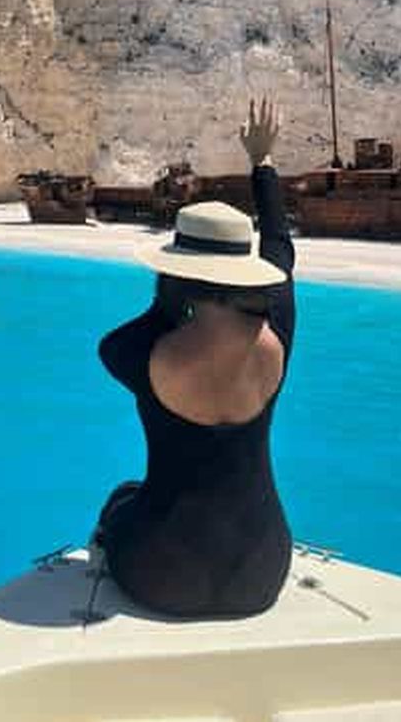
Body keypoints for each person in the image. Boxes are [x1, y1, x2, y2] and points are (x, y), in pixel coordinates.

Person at [94, 98, 296, 618]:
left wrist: (169, 302)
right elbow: (280, 247)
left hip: (163, 572)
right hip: (262, 570)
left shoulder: (141, 352)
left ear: (175, 273)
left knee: (121, 498)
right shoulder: (278, 331)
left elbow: (108, 346)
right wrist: (263, 162)